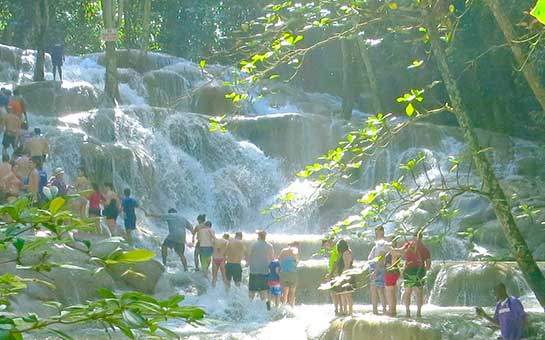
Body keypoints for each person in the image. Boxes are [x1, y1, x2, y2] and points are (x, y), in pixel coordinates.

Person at [393, 230, 431, 318]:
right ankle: (414, 312)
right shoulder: (420, 247)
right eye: (414, 239)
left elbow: (428, 264)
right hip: (414, 270)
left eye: (416, 239)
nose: (415, 241)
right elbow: (428, 266)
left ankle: (412, 312)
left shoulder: (421, 248)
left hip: (413, 270)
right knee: (413, 292)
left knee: (412, 292)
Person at [368, 226, 390, 315]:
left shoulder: (383, 243)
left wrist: (376, 271)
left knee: (380, 290)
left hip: (379, 268)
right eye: (376, 232)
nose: (376, 234)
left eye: (378, 232)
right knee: (374, 290)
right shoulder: (377, 243)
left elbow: (381, 257)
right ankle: (375, 310)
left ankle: (384, 310)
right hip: (373, 267)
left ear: (382, 232)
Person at [248, 230, 274, 302]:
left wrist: (248, 264)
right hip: (265, 272)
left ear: (259, 236)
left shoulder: (254, 245)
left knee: (252, 291)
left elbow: (249, 256)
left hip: (254, 271)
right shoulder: (270, 246)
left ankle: (249, 307)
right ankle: (263, 310)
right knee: (263, 292)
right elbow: (272, 259)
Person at [335, 239, 354, 316]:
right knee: (343, 294)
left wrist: (342, 276)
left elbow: (347, 265)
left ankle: (349, 312)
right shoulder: (347, 252)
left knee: (347, 294)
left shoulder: (346, 253)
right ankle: (345, 311)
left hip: (346, 275)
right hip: (346, 275)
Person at [322, 238, 340, 314]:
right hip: (333, 273)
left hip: (335, 274)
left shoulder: (336, 249)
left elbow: (336, 263)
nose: (326, 248)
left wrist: (331, 274)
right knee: (333, 292)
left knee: (335, 292)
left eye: (325, 245)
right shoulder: (333, 251)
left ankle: (338, 308)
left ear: (329, 242)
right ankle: (336, 308)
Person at [384, 238, 401, 316]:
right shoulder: (396, 251)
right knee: (392, 292)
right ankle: (393, 309)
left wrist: (390, 267)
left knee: (389, 292)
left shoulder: (393, 252)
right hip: (394, 272)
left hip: (390, 273)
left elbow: (393, 261)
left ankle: (391, 310)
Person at [279, 241, 299, 307]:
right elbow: (297, 262)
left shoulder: (283, 251)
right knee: (292, 292)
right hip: (292, 273)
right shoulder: (295, 250)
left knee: (284, 292)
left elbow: (279, 260)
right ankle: (292, 307)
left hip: (284, 273)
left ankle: (283, 307)